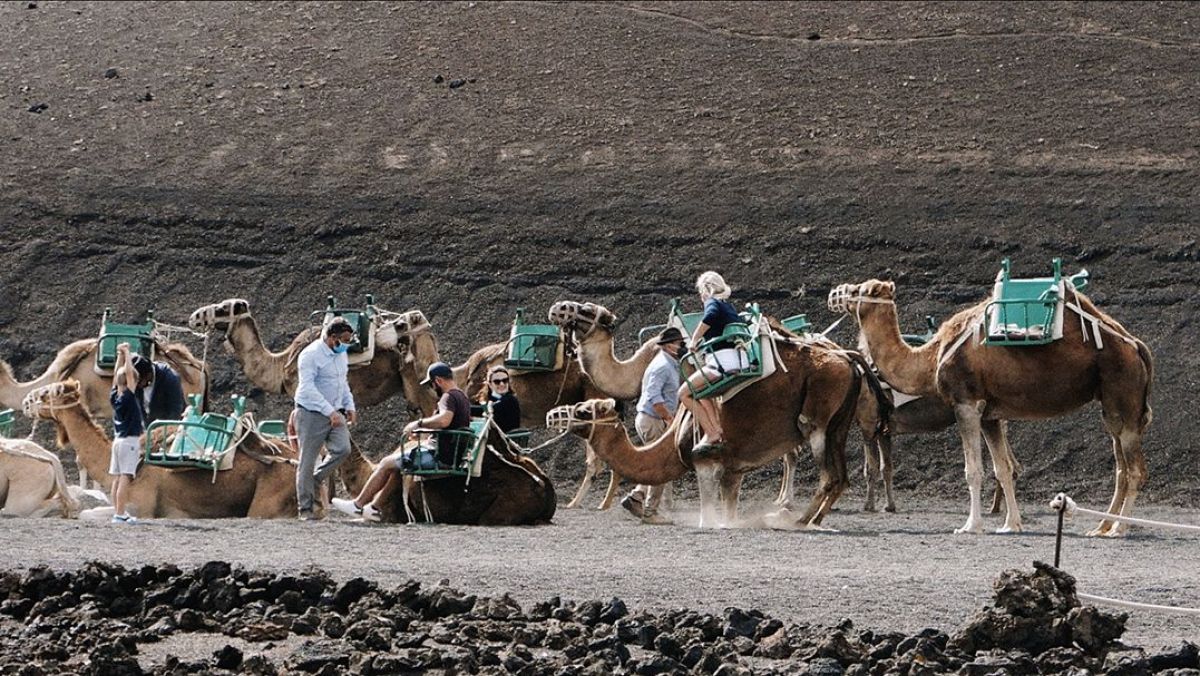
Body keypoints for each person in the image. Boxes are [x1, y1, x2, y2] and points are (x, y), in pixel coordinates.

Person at [331, 362, 471, 520]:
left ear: (438, 381)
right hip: (451, 452)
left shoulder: (448, 397)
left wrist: (418, 424)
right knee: (396, 466)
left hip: (439, 455)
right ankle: (374, 508)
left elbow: (445, 420)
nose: (432, 389)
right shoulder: (462, 397)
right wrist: (422, 432)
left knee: (385, 463)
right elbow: (452, 425)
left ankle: (357, 505)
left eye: (432, 384)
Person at [294, 318, 358, 521]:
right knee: (307, 459)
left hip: (335, 411)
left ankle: (316, 479)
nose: (347, 344)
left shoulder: (341, 354)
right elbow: (307, 388)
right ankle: (305, 509)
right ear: (332, 338)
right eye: (344, 340)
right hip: (311, 412)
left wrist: (349, 405)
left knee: (343, 449)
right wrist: (329, 411)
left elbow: (342, 382)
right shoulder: (310, 356)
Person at [620, 326, 685, 524]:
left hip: (650, 419)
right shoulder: (663, 366)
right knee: (662, 467)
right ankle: (650, 512)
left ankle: (636, 496)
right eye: (679, 344)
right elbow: (654, 396)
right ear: (668, 346)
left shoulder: (666, 363)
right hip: (654, 419)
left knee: (652, 464)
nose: (682, 347)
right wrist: (669, 419)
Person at [678, 270, 743, 456]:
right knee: (702, 392)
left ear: (706, 289)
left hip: (720, 364)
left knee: (684, 392)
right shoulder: (728, 306)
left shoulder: (713, 302)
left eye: (700, 292)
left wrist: (694, 340)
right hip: (736, 361)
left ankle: (712, 432)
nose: (700, 297)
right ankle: (717, 429)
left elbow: (710, 316)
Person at [109, 343, 143, 524]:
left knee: (117, 477)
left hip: (117, 441)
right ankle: (120, 514)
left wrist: (120, 357)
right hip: (129, 442)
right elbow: (128, 375)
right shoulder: (129, 396)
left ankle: (118, 512)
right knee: (125, 477)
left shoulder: (114, 395)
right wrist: (128, 354)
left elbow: (117, 377)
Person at [130, 353, 186, 425]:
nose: (136, 385)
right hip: (149, 424)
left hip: (168, 424)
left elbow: (175, 411)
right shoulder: (137, 383)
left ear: (148, 375)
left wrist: (164, 432)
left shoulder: (170, 378)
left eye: (138, 382)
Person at [480, 365, 521, 433]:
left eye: (505, 380)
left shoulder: (511, 400)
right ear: (490, 384)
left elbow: (493, 409)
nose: (502, 384)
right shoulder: (488, 399)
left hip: (505, 440)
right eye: (497, 382)